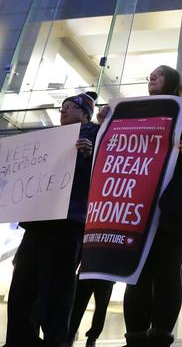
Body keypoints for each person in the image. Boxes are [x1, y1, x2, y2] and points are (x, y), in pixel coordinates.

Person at [123, 65, 182, 347]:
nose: (151, 77)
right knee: (136, 272)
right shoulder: (134, 116)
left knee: (167, 270)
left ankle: (160, 334)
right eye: (149, 74)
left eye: (159, 74)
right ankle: (136, 336)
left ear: (173, 82)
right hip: (139, 206)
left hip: (175, 208)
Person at [5, 92, 99, 347]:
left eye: (69, 107)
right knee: (23, 286)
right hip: (38, 222)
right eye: (62, 108)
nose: (63, 111)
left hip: (68, 224)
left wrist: (90, 156)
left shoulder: (97, 137)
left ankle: (55, 341)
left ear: (84, 114)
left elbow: (106, 176)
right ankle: (19, 340)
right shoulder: (46, 141)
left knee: (57, 289)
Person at [64, 278, 115, 347]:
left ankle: (88, 338)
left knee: (79, 307)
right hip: (100, 274)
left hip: (100, 274)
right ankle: (73, 337)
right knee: (98, 308)